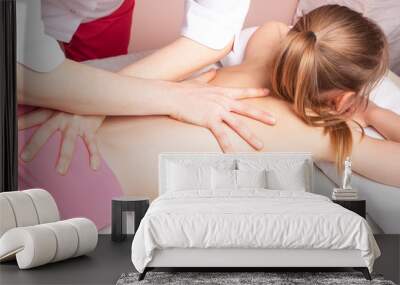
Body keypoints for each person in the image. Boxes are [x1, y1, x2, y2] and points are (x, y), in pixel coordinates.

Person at [18, 4, 400, 229]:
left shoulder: (260, 54)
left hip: (44, 125)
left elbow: (273, 29)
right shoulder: (327, 134)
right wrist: (370, 111)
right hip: (83, 186)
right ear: (344, 98)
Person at [17, 0, 274, 175]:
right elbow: (18, 66)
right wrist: (172, 97)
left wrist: (95, 104)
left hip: (107, 9)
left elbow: (213, 32)